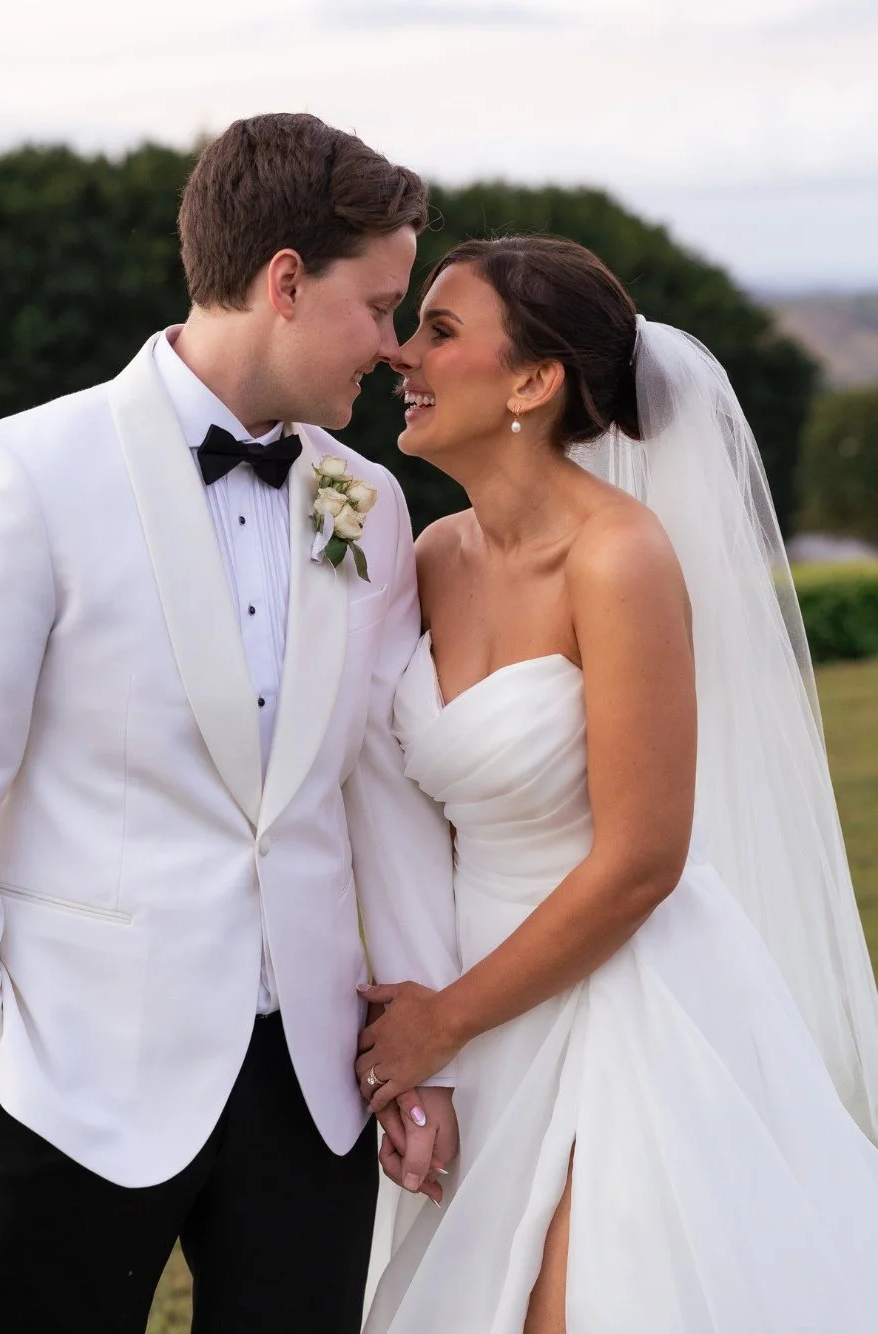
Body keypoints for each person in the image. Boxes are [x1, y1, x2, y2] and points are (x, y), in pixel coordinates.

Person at [0, 112, 460, 1334]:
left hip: (312, 1086)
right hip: (72, 1077)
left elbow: (382, 786)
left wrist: (423, 1046)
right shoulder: (20, 474)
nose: (394, 345)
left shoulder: (367, 498)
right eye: (378, 305)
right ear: (285, 282)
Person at [355, 235, 878, 1333]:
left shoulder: (619, 556)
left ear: (533, 383)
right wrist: (427, 1022)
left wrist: (443, 1023)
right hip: (474, 1003)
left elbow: (644, 858)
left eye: (440, 331)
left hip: (619, 993)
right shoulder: (432, 554)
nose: (402, 354)